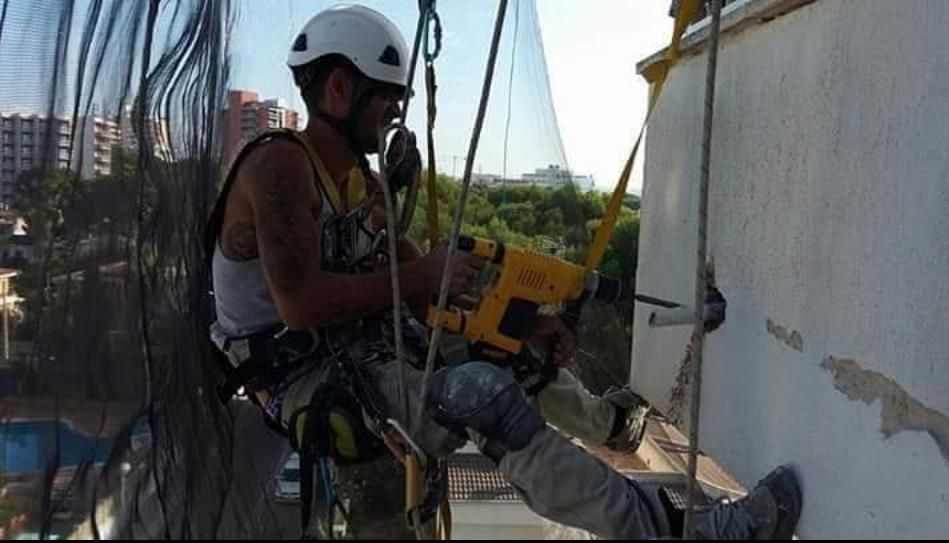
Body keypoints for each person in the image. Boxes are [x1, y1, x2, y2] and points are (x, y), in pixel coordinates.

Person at [207, 4, 802, 539]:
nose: (395, 114)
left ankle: (612, 425)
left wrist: (524, 329)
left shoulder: (362, 185)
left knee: (513, 354)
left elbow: (419, 285)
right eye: (386, 97)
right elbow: (303, 304)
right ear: (339, 88)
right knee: (480, 395)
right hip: (300, 383)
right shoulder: (279, 166)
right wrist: (422, 280)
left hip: (360, 352)